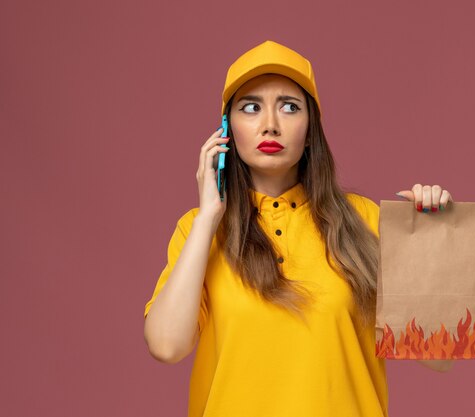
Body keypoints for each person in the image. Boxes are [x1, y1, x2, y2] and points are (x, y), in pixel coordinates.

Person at [143, 40, 454, 417]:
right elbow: (166, 345)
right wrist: (210, 215)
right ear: (226, 129)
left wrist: (426, 241)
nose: (270, 124)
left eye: (289, 107)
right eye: (251, 107)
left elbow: (439, 355)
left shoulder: (364, 219)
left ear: (310, 131)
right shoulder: (198, 231)